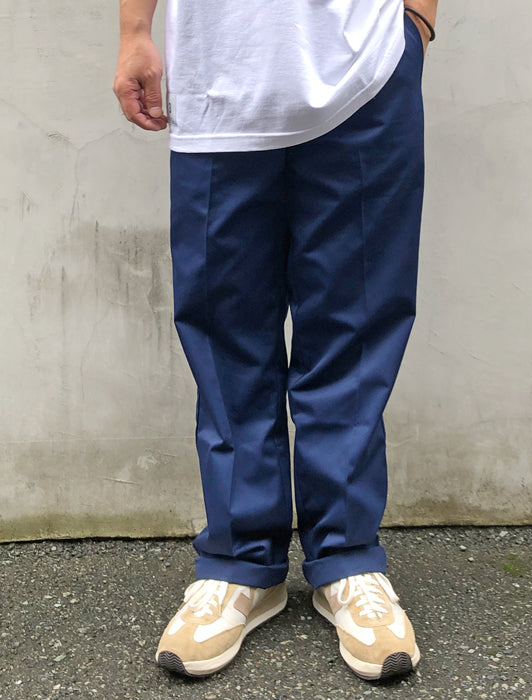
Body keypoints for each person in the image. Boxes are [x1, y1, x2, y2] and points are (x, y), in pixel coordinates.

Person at [114, 0, 437, 682]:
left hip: (367, 68)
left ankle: (347, 559)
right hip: (217, 79)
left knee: (354, 325)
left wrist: (416, 22)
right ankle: (240, 563)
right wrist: (134, 29)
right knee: (224, 330)